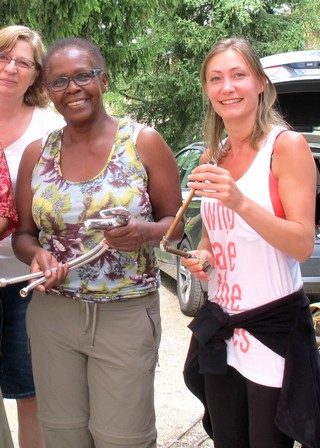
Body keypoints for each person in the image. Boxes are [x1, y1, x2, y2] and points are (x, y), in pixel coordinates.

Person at [12, 37, 183, 448]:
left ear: (103, 80)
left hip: (125, 313)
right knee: (63, 435)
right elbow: (22, 236)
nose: (72, 89)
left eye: (82, 76)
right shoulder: (38, 154)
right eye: (58, 82)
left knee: (124, 438)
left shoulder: (143, 142)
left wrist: (144, 233)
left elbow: (175, 225)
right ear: (49, 92)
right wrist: (37, 257)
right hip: (54, 315)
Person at [181, 37, 320, 448]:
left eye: (239, 75)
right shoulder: (214, 155)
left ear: (260, 83)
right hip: (223, 327)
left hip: (272, 330)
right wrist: (203, 255)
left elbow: (301, 244)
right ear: (207, 90)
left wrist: (239, 200)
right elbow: (214, 233)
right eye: (216, 78)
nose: (228, 87)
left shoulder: (286, 147)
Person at [0, 24, 64, 448]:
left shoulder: (50, 125)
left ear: (36, 73)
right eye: (3, 56)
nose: (10, 67)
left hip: (28, 280)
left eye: (22, 62)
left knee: (31, 389)